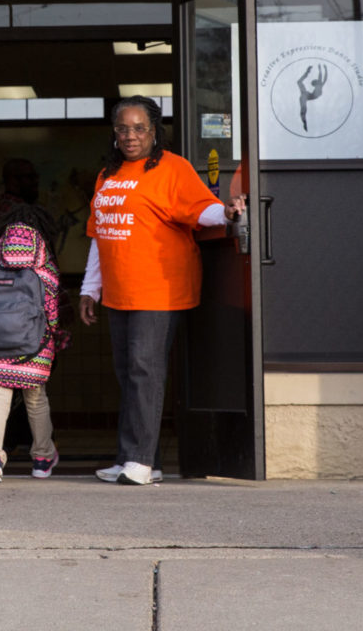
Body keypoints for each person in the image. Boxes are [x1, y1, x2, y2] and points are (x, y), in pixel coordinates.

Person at [78, 95, 244, 486]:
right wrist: (89, 288)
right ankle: (136, 459)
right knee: (128, 373)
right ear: (113, 133)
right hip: (119, 291)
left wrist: (227, 213)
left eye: (139, 128)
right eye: (123, 128)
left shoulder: (173, 168)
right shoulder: (107, 174)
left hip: (160, 288)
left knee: (144, 370)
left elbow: (199, 208)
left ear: (155, 131)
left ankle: (139, 459)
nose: (130, 135)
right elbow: (99, 235)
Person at [0, 221, 66, 482]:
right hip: (32, 348)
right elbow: (53, 316)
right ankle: (42, 459)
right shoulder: (45, 271)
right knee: (36, 399)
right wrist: (53, 338)